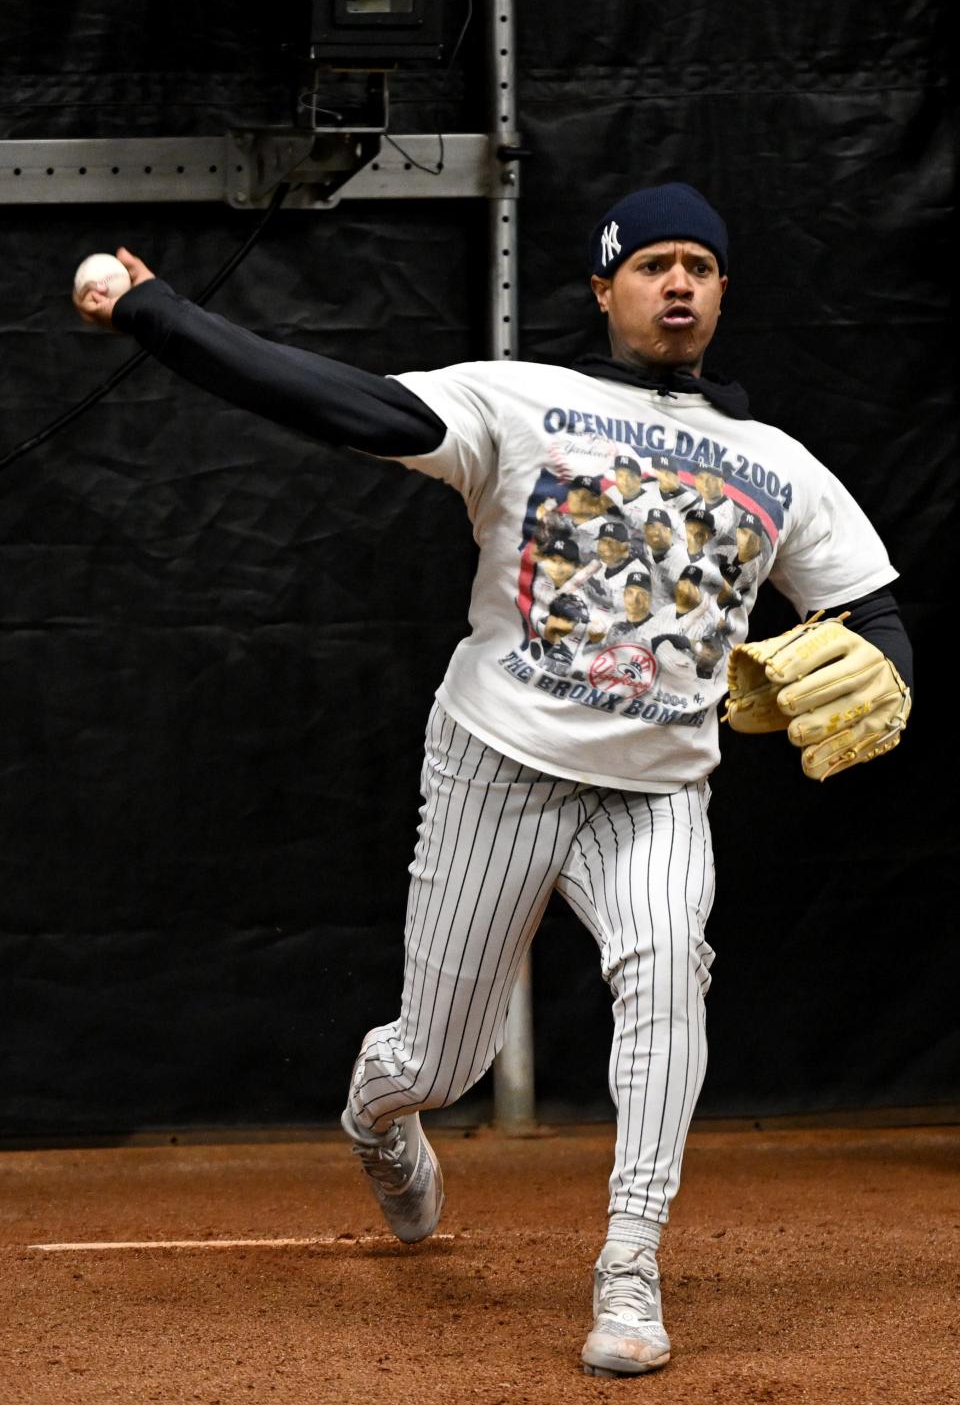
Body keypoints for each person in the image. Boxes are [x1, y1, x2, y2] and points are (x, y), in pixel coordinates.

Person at [73, 181, 913, 1378]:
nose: (678, 282)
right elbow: (342, 404)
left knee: (672, 974)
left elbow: (871, 609)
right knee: (444, 1058)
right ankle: (379, 1107)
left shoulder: (778, 464)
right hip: (498, 769)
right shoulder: (521, 402)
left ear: (724, 291)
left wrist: (888, 667)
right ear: (603, 289)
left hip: (659, 791)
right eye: (653, 263)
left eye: (701, 266)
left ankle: (630, 1263)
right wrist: (162, 315)